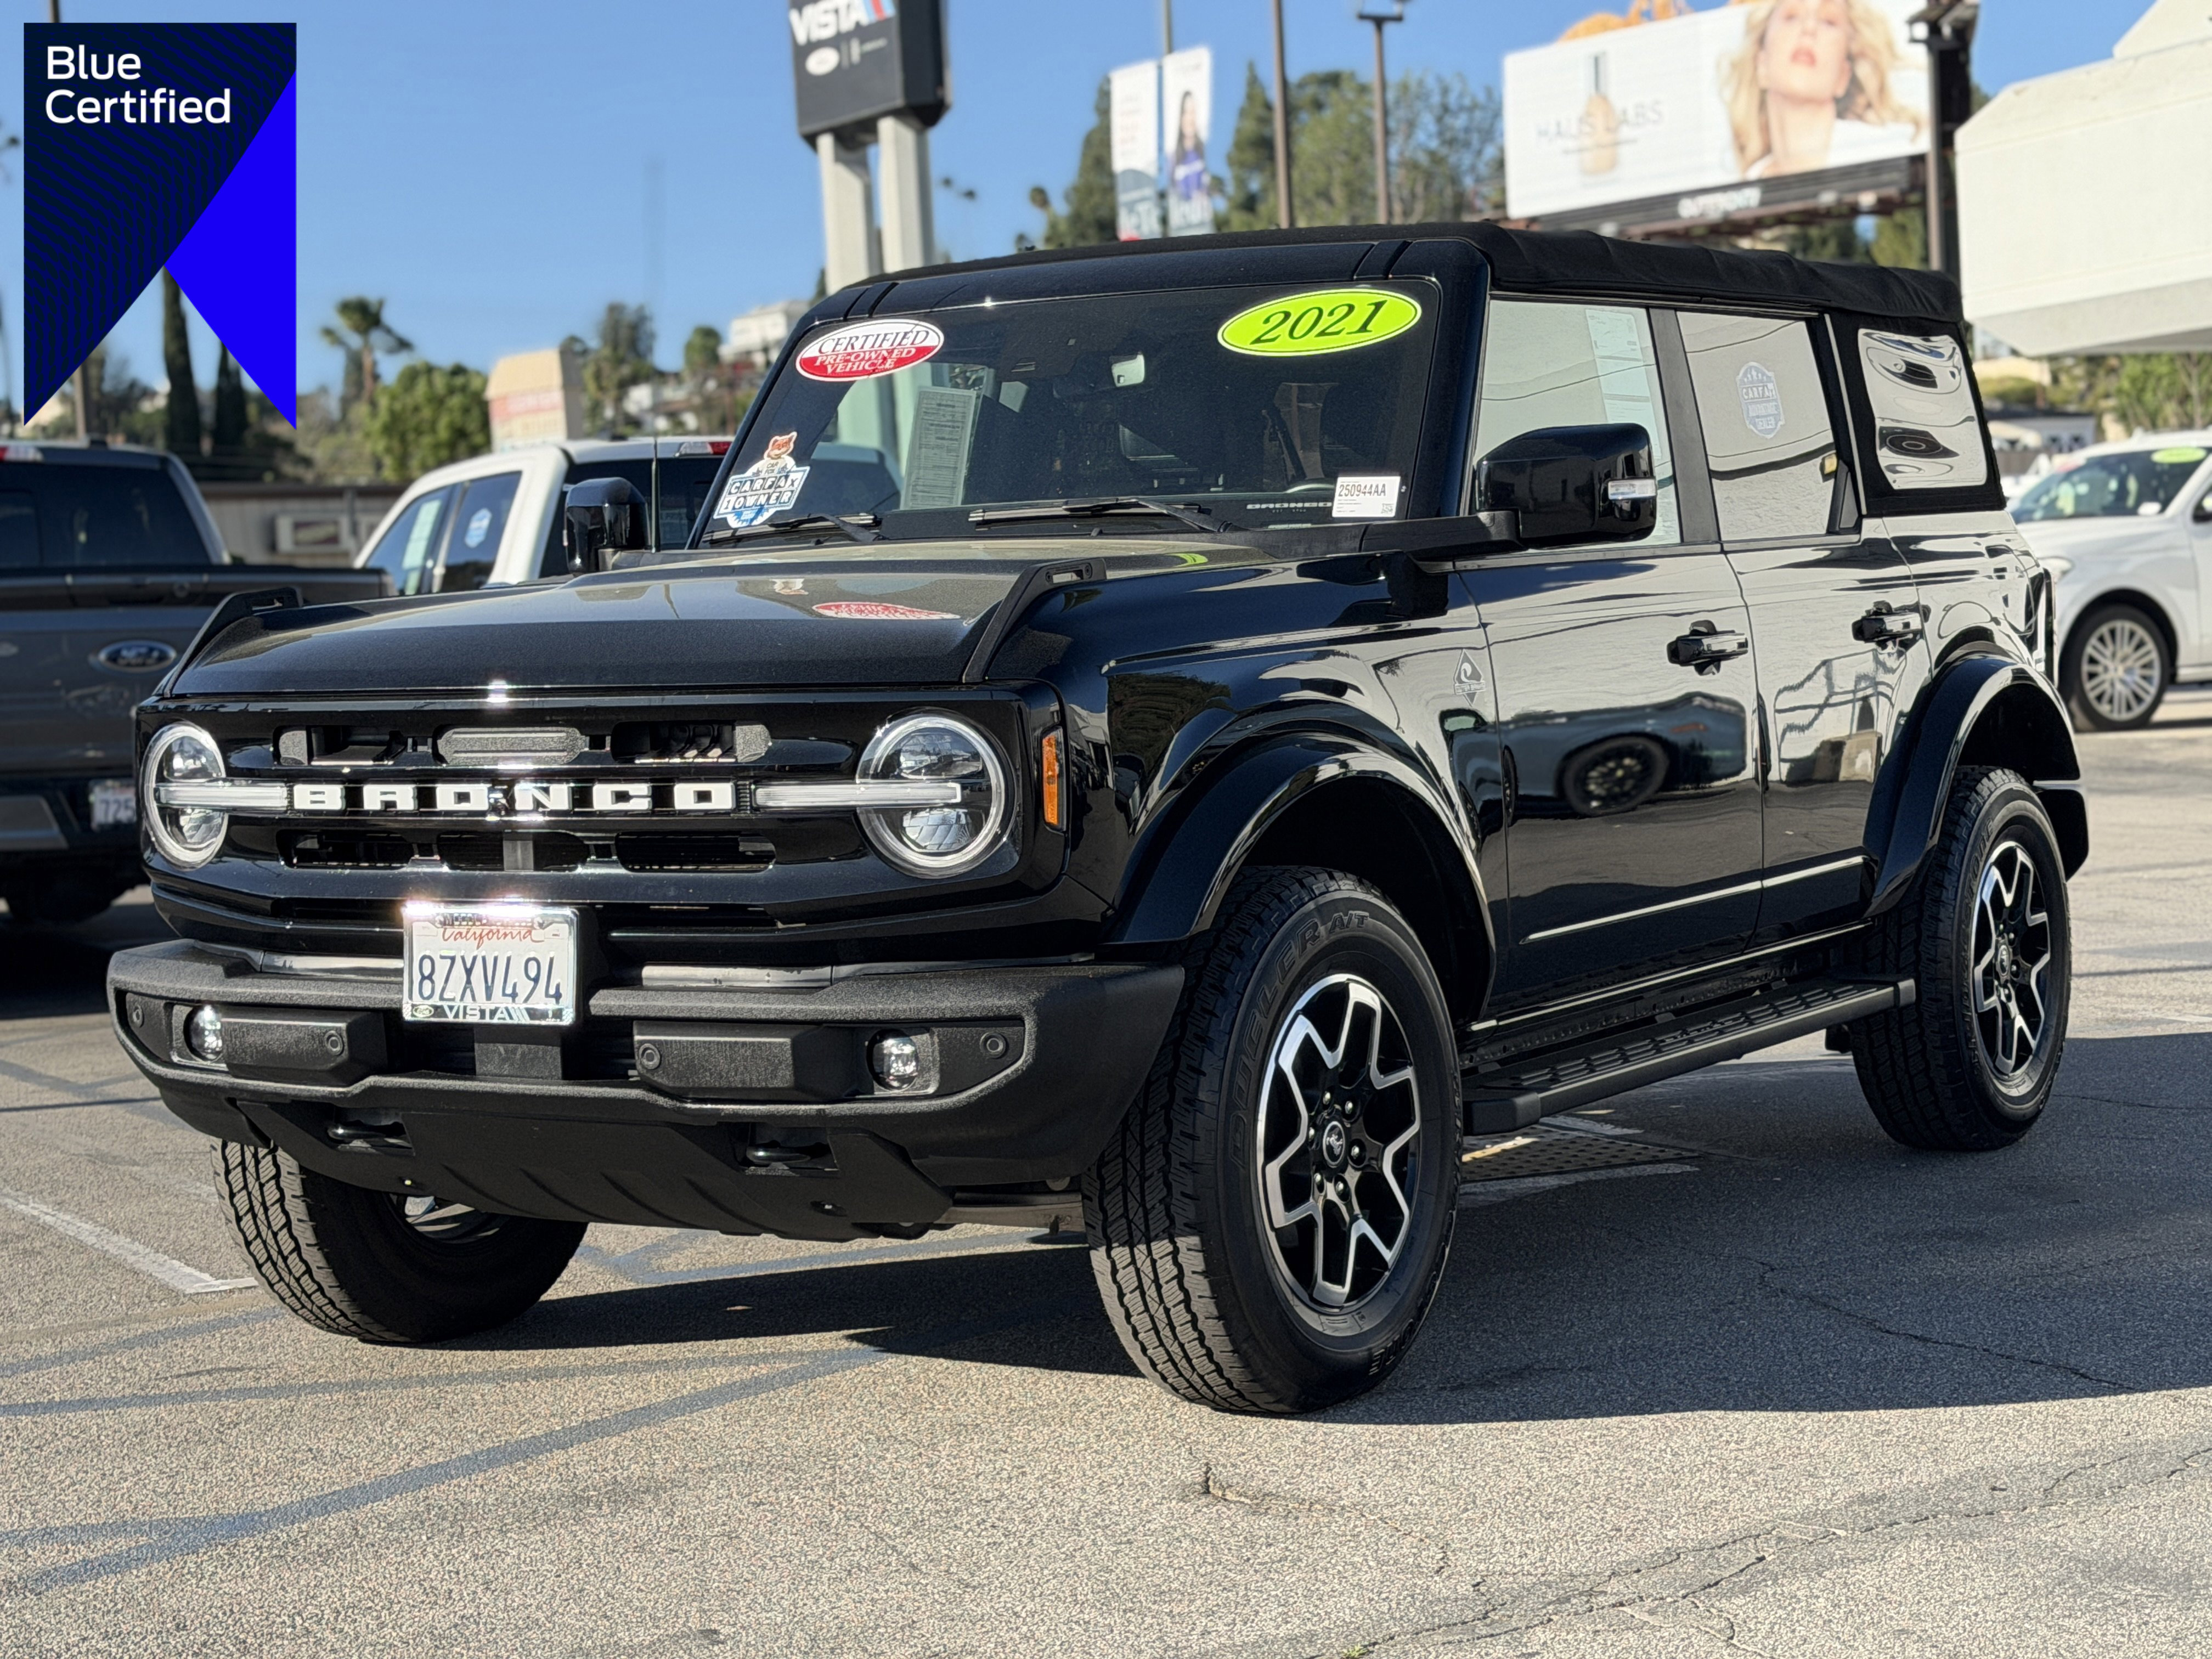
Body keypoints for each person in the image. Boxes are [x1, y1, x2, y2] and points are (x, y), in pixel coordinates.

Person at [1722, 0, 1923, 179]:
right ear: (1762, 65)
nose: (1809, 28)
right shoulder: (1748, 181)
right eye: (1791, 16)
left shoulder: (1883, 154)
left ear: (1844, 76)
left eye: (1829, 21)